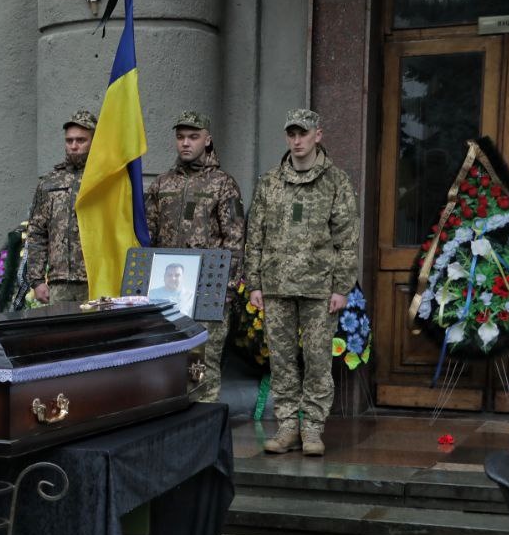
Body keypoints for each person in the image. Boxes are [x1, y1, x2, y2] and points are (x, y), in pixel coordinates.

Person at [245, 109, 359, 456]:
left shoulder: (335, 181)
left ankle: (312, 430)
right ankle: (286, 428)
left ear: (317, 136)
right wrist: (254, 283)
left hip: (318, 288)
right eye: (291, 134)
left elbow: (347, 238)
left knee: (317, 360)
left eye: (303, 134)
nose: (297, 141)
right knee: (281, 361)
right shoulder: (270, 181)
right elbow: (255, 235)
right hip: (277, 285)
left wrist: (341, 286)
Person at [145, 111, 245, 402]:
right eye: (180, 137)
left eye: (193, 137)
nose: (185, 143)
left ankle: (204, 427)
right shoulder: (162, 185)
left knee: (203, 365)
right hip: (167, 291)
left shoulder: (223, 184)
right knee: (167, 363)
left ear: (208, 139)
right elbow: (147, 237)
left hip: (206, 291)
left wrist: (225, 288)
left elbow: (235, 240)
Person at [24, 109, 96, 305]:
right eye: (69, 140)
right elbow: (37, 232)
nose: (73, 146)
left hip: (96, 281)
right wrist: (37, 280)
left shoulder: (105, 180)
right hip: (59, 283)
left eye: (81, 140)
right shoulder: (49, 182)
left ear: (94, 141)